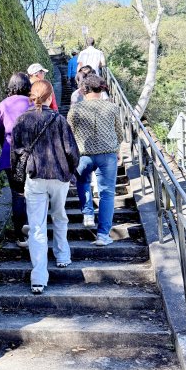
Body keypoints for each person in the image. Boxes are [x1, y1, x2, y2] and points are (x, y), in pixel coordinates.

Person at [11, 80, 80, 294]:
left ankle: (38, 277)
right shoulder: (59, 120)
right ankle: (62, 256)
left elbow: (16, 152)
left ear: (32, 96)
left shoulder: (22, 120)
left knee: (37, 226)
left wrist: (17, 180)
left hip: (35, 176)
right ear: (50, 97)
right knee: (60, 215)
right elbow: (72, 151)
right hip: (59, 176)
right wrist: (72, 169)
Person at [67, 75, 123, 246]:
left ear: (83, 90)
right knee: (107, 194)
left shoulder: (75, 110)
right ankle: (103, 235)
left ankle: (88, 213)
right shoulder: (112, 107)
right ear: (102, 89)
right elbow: (119, 133)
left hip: (83, 155)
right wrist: (116, 149)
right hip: (107, 155)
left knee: (83, 182)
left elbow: (68, 135)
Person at [0, 73, 32, 244]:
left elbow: (0, 133)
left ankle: (21, 235)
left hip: (10, 155)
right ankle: (35, 231)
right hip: (32, 155)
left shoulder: (3, 104)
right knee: (35, 194)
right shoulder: (33, 102)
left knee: (18, 194)